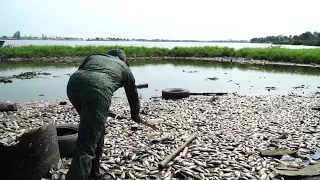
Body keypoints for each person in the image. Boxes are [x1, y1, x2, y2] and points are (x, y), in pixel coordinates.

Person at [65, 49, 142, 180]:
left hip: (73, 85)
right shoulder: (125, 67)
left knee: (95, 130)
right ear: (123, 59)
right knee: (86, 144)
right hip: (97, 89)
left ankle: (94, 173)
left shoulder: (94, 56)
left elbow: (83, 75)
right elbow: (133, 95)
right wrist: (135, 115)